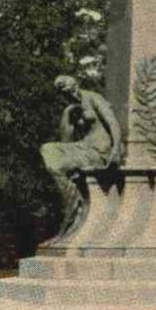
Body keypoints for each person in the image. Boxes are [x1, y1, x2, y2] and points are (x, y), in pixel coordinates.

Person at [41, 74, 125, 239]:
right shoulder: (71, 109)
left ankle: (74, 209)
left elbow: (112, 122)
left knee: (57, 166)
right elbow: (66, 140)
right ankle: (71, 199)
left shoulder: (94, 98)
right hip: (84, 147)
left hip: (100, 150)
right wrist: (67, 116)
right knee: (47, 148)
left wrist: (116, 148)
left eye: (71, 91)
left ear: (76, 85)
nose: (70, 95)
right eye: (65, 94)